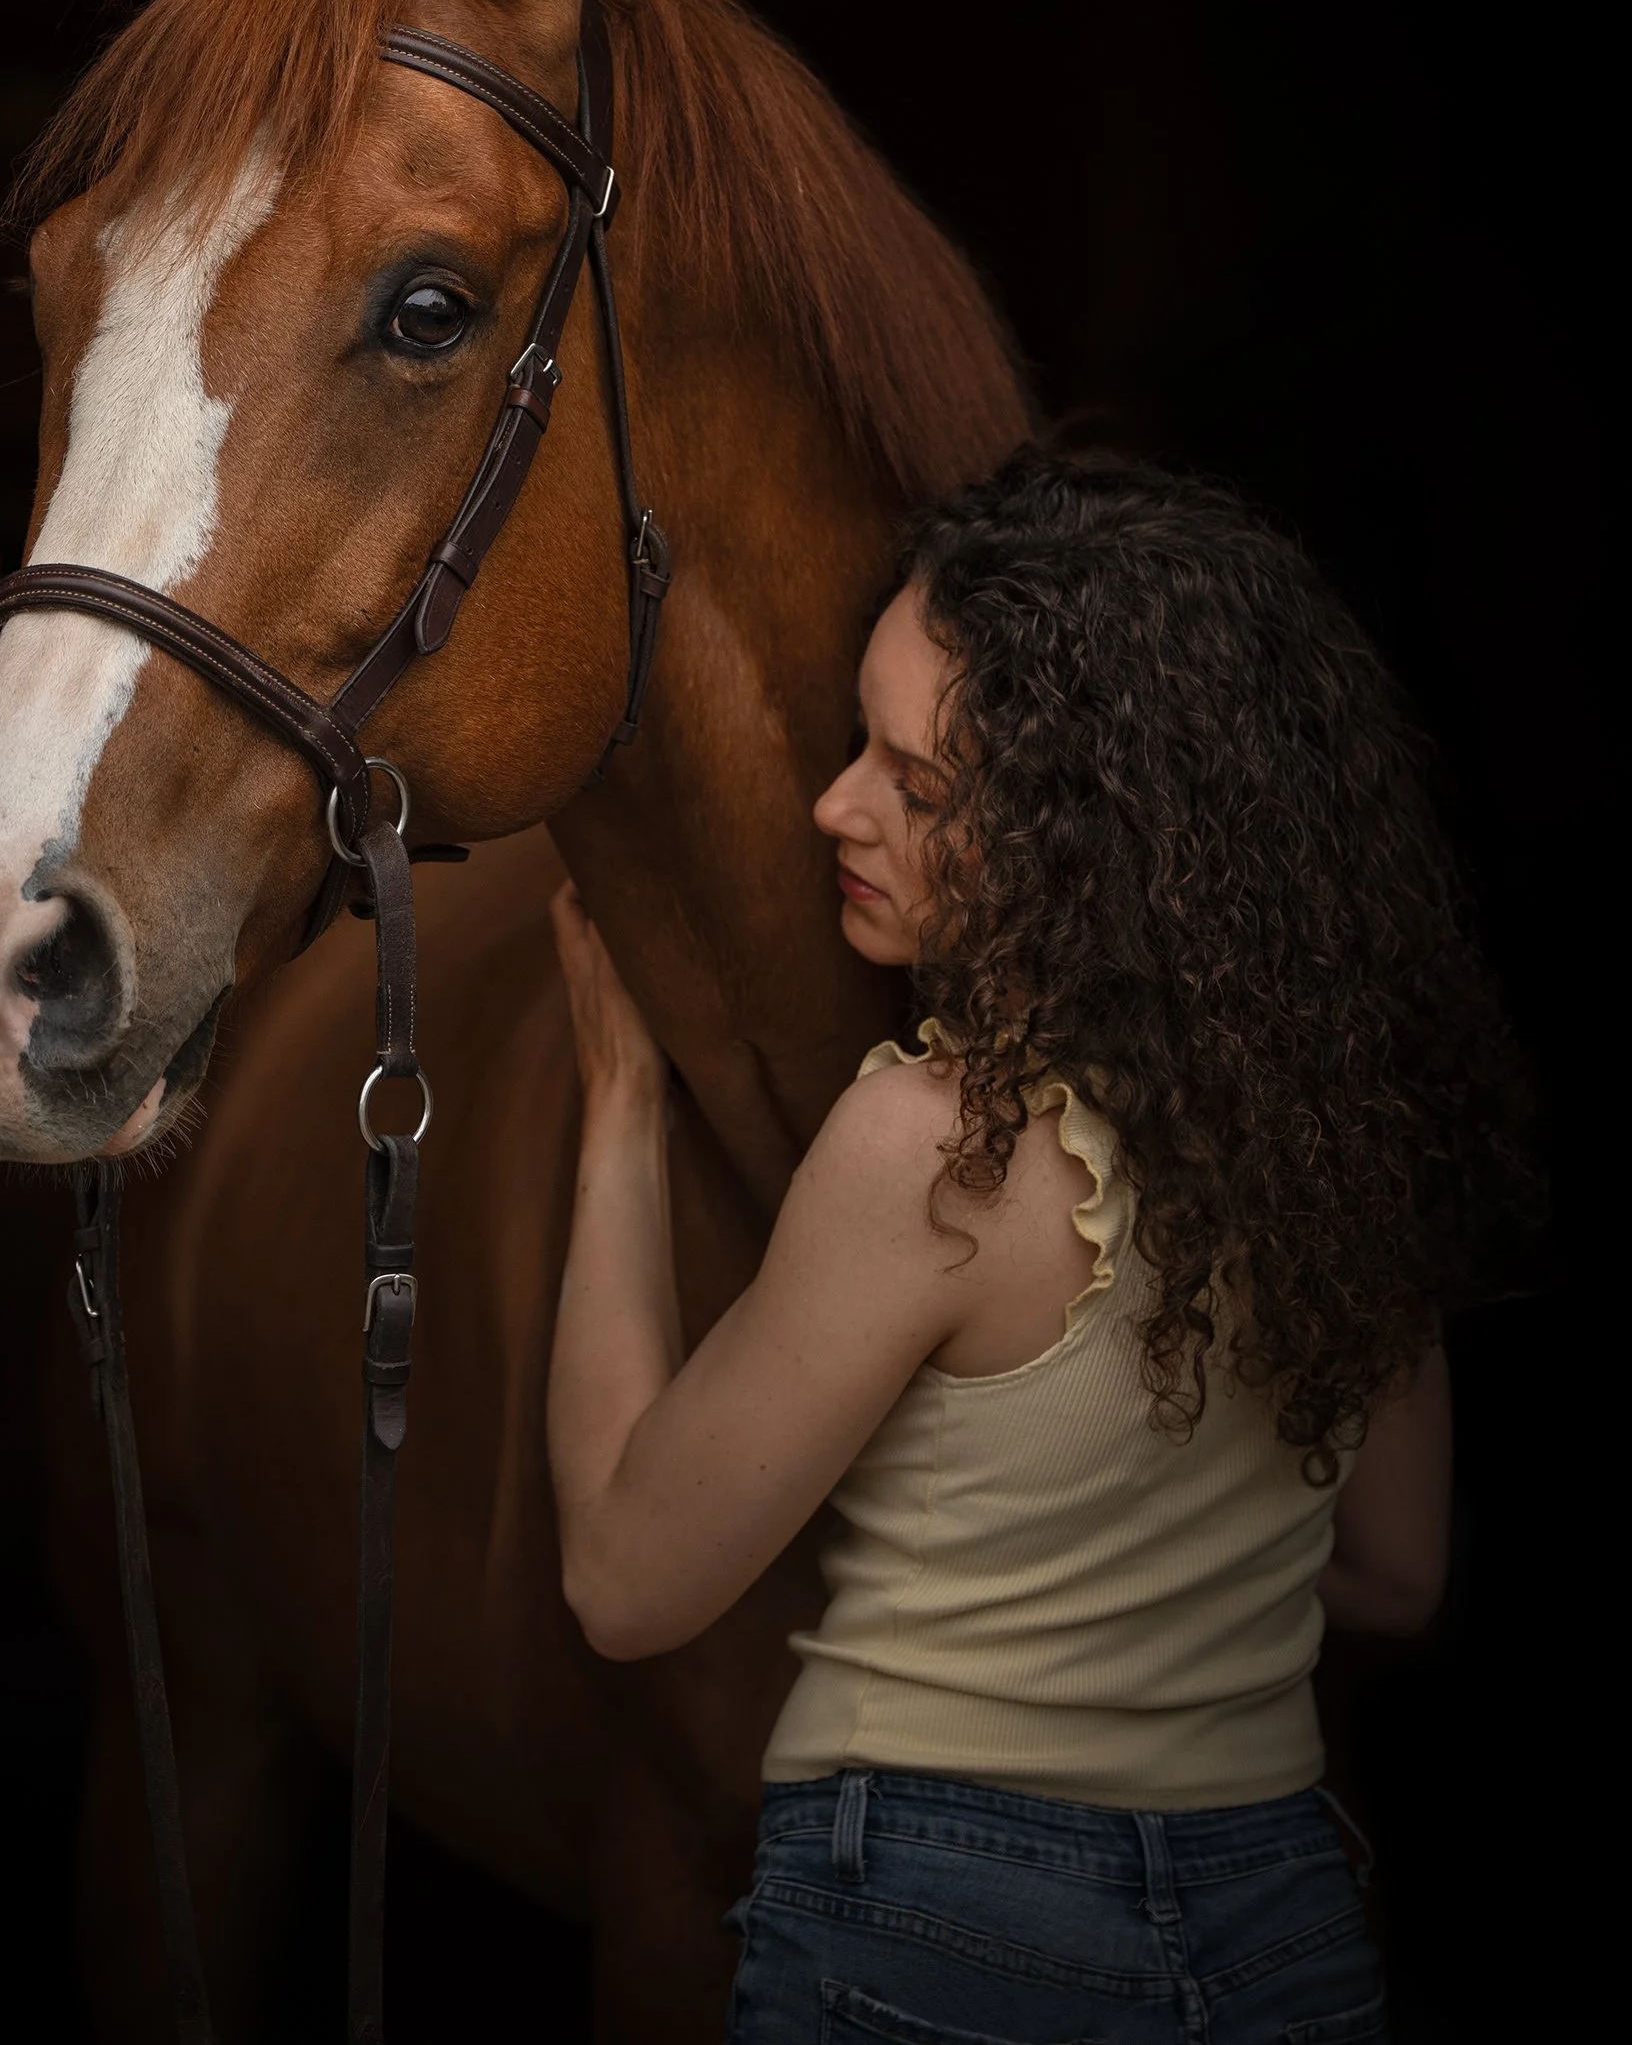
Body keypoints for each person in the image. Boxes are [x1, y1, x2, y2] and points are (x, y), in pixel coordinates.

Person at [547, 450, 1526, 2045]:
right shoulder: (1344, 1135)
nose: (833, 804)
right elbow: (1397, 1573)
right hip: (1280, 1919)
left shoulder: (941, 1148)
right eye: (859, 735)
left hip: (936, 1918)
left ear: (1096, 845)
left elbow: (625, 1582)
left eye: (916, 786)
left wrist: (613, 1110)